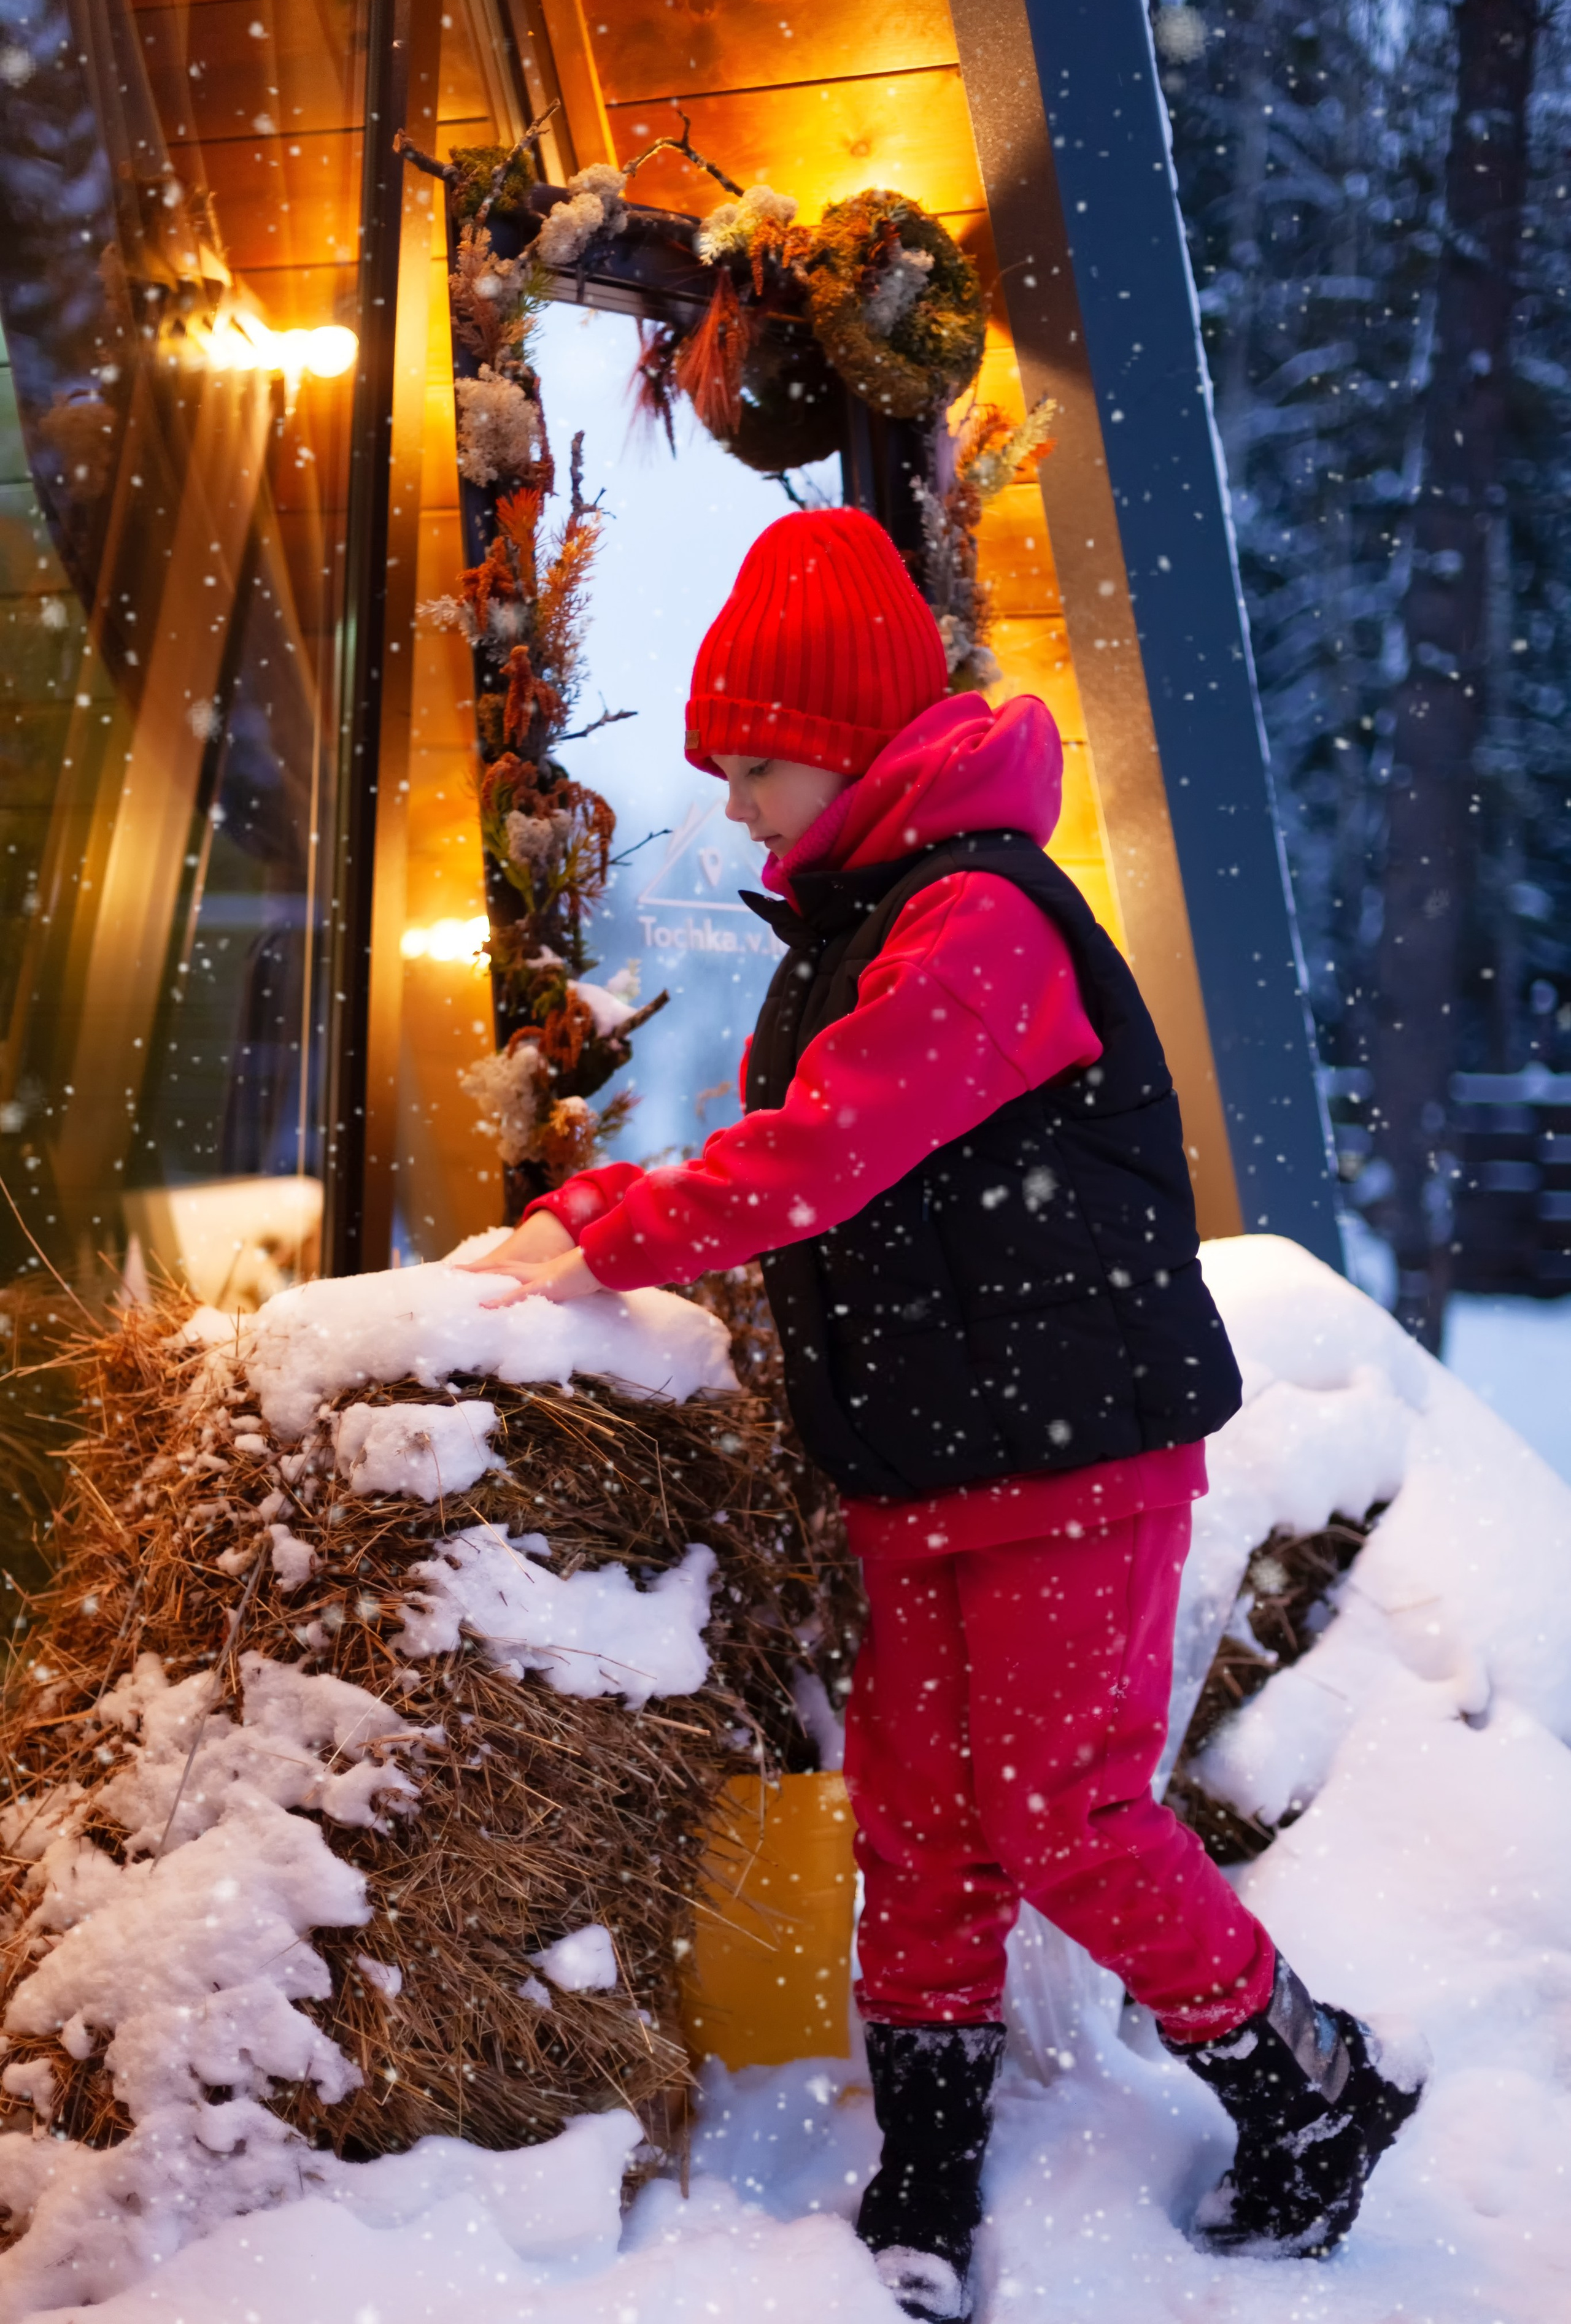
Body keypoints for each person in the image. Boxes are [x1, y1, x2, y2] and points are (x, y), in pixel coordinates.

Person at [461, 508, 1424, 2318]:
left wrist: (605, 1227)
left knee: (1062, 1814)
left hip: (1072, 1453)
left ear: (845, 745)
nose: (737, 806)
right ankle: (928, 2155)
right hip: (934, 1466)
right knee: (919, 1830)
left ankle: (1310, 2080)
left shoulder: (976, 921)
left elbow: (831, 1151)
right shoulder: (871, 918)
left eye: (754, 766)